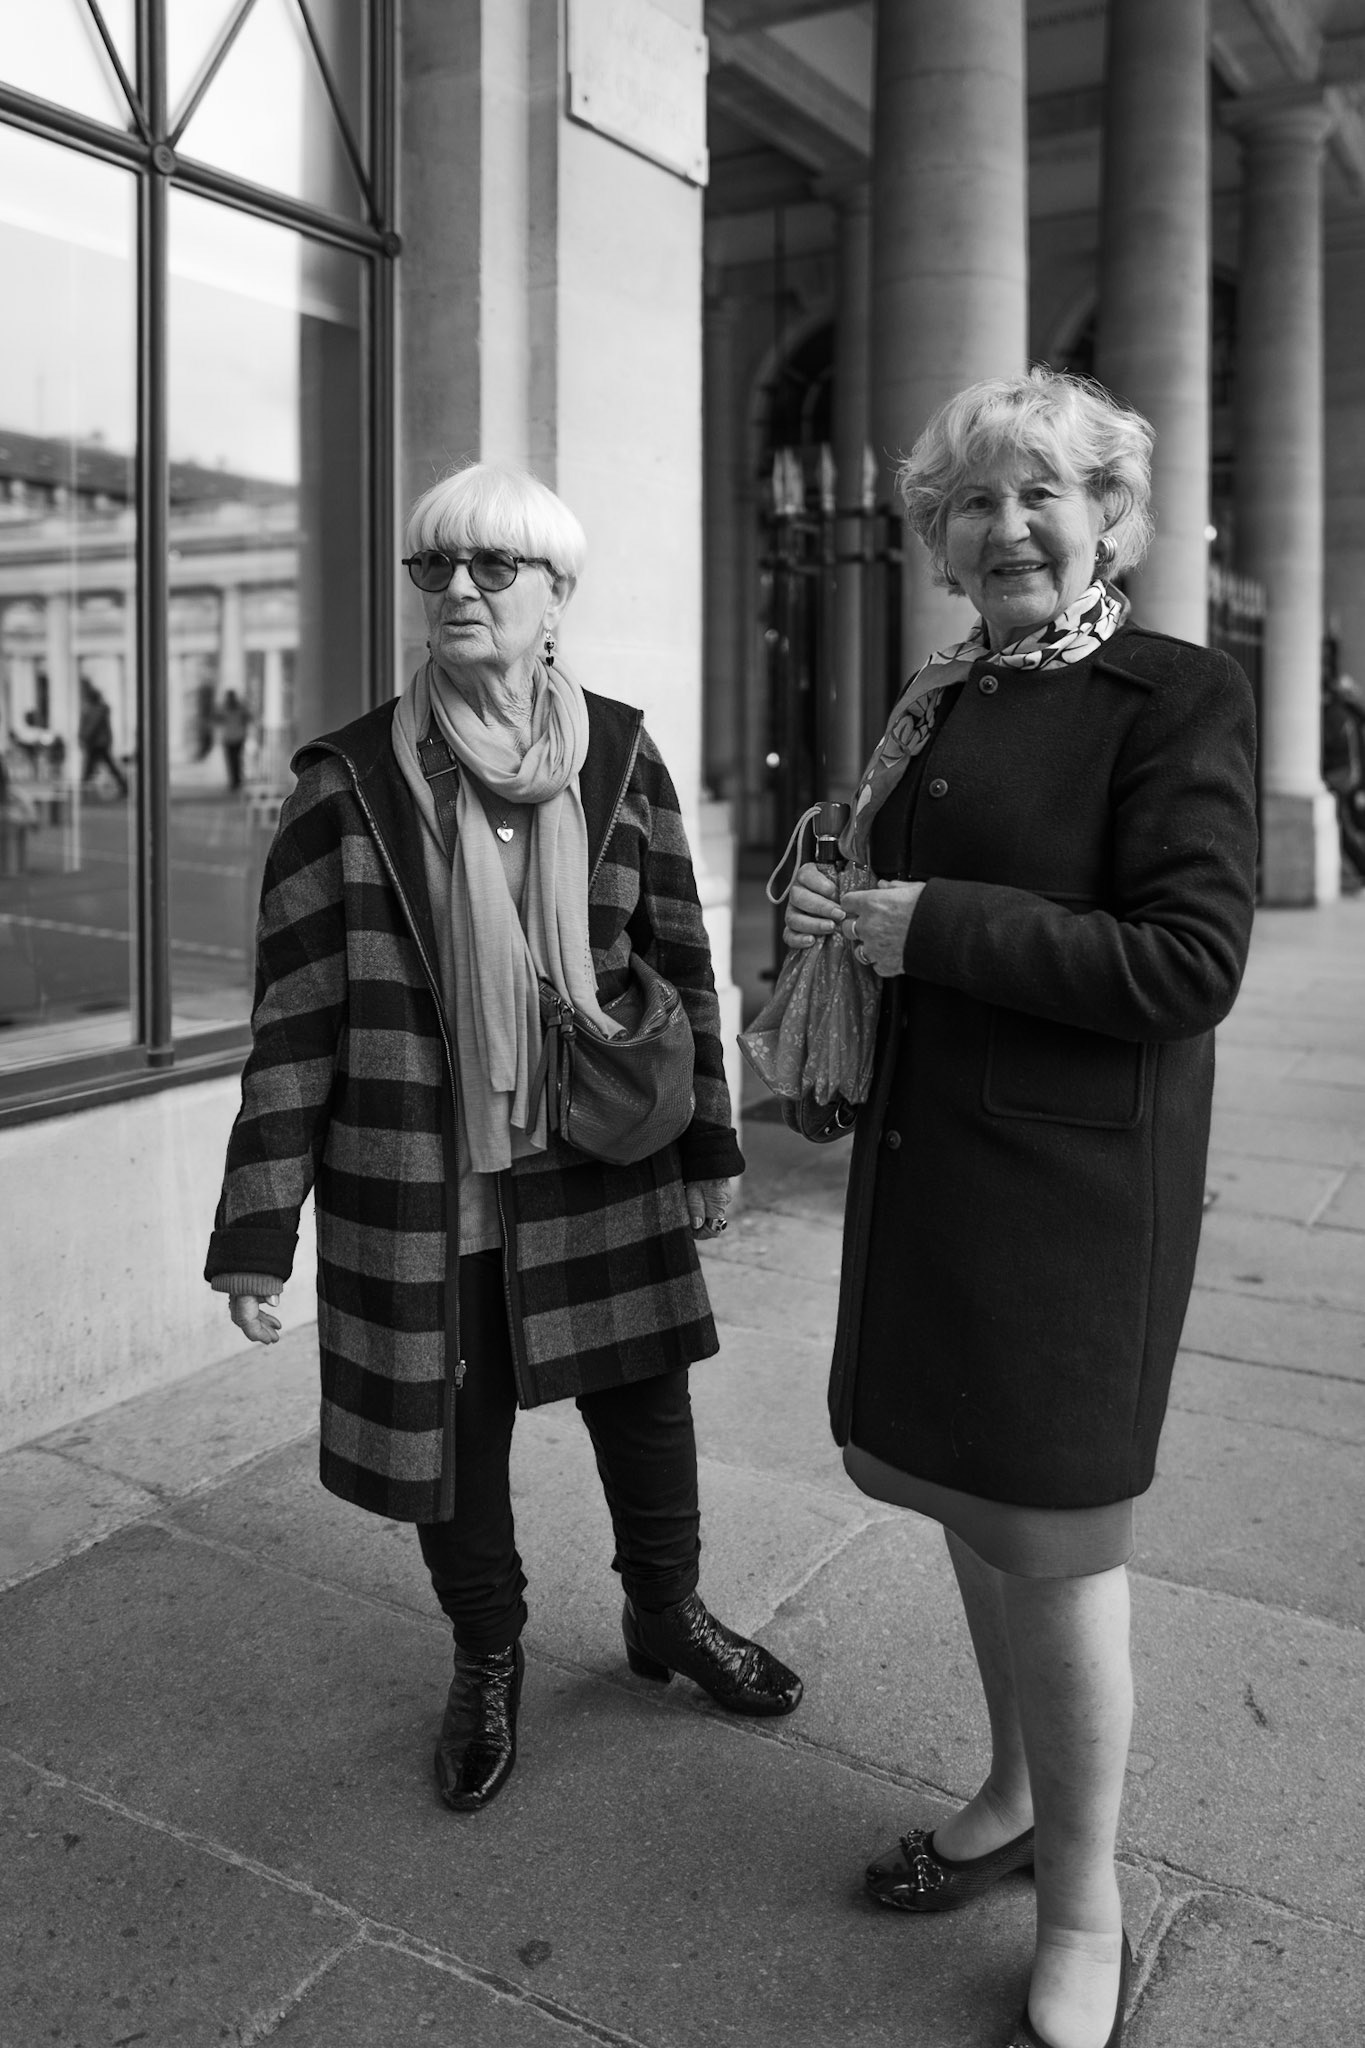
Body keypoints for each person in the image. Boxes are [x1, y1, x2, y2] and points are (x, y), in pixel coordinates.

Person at [206, 461, 801, 1815]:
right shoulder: (344, 782)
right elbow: (294, 1024)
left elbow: (684, 961)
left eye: (494, 568)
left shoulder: (623, 753)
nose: (459, 591)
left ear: (555, 596)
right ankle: (487, 1655)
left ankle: (667, 1614)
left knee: (646, 1402)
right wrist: (256, 1229)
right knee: (450, 1438)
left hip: (595, 1158)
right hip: (418, 1182)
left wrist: (710, 1148)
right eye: (436, 568)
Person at [784, 369, 1256, 2048]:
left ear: (1113, 515)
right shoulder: (945, 697)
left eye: (1043, 492)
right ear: (937, 536)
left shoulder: (1175, 696)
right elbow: (899, 896)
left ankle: (1085, 1900)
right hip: (936, 1171)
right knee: (971, 1508)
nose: (1009, 528)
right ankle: (1004, 1793)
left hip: (1072, 1198)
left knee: (1052, 1545)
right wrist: (841, 903)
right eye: (973, 502)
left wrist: (930, 923)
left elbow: (1189, 964)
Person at [78, 679, 129, 797]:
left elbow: (91, 726)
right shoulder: (97, 709)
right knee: (98, 765)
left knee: (91, 766)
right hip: (99, 742)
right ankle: (123, 786)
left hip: (97, 743)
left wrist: (85, 737)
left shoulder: (97, 709)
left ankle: (84, 789)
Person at [217, 689, 251, 791]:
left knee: (235, 760)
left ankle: (236, 781)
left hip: (235, 737)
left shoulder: (236, 708)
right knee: (233, 761)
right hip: (231, 737)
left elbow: (247, 718)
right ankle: (234, 781)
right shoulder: (226, 708)